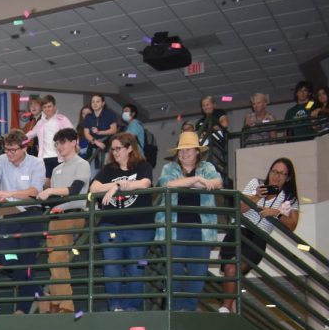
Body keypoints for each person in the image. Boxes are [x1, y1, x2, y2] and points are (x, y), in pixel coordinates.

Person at [218, 157, 299, 313]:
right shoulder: (256, 183)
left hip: (259, 237)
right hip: (239, 230)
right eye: (274, 171)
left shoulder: (289, 197)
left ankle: (227, 306)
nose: (277, 176)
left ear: (288, 177)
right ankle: (228, 306)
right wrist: (256, 196)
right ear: (269, 171)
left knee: (235, 268)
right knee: (229, 266)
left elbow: (292, 224)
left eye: (282, 173)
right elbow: (239, 208)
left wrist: (276, 213)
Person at [154, 131, 223, 312]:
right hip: (174, 226)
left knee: (198, 273)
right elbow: (166, 184)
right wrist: (198, 180)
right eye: (181, 150)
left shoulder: (207, 167)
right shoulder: (169, 168)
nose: (184, 154)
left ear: (197, 151)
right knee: (173, 270)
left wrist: (188, 182)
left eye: (188, 150)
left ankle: (189, 309)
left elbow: (217, 182)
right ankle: (174, 309)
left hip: (201, 229)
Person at [0, 129, 46, 314]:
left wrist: (9, 194)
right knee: (7, 259)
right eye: (6, 149)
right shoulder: (1, 160)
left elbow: (34, 191)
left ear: (24, 148)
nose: (9, 153)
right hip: (9, 216)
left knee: (26, 262)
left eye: (13, 150)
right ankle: (38, 291)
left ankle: (22, 309)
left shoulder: (36, 163)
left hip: (30, 216)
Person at [89, 133, 154, 311]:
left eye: (119, 148)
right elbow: (93, 188)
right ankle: (116, 306)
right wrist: (112, 186)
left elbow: (144, 184)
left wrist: (118, 186)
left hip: (139, 226)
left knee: (136, 268)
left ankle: (133, 308)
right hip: (110, 225)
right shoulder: (109, 169)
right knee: (112, 267)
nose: (115, 152)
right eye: (113, 149)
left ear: (130, 148)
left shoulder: (143, 166)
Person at [37, 128, 90, 312]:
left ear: (75, 142)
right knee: (54, 259)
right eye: (57, 143)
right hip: (57, 216)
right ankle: (55, 302)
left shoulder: (82, 164)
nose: (60, 147)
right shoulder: (57, 169)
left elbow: (75, 190)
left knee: (57, 258)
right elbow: (54, 198)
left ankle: (65, 304)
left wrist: (50, 191)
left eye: (64, 142)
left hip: (72, 214)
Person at [82, 94, 118, 171]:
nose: (95, 104)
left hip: (108, 144)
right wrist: (96, 142)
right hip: (93, 145)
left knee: (107, 167)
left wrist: (100, 132)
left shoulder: (109, 114)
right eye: (93, 102)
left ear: (103, 103)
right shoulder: (89, 117)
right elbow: (86, 133)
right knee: (89, 169)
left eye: (98, 101)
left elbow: (113, 130)